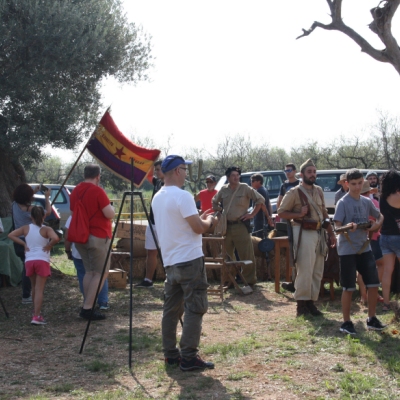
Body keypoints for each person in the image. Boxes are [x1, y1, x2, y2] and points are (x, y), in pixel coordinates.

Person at [152, 154, 215, 371]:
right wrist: (209, 220)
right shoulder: (183, 196)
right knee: (195, 308)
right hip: (189, 260)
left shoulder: (157, 197)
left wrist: (197, 217)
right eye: (185, 169)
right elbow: (198, 228)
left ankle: (171, 355)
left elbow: (180, 222)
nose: (186, 173)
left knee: (171, 310)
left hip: (170, 261)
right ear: (178, 171)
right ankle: (188, 357)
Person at [278, 159, 336, 317]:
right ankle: (301, 305)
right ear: (302, 174)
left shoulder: (318, 190)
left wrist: (331, 234)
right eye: (309, 172)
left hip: (319, 232)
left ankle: (311, 302)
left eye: (314, 172)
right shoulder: (294, 192)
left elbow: (324, 214)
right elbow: (281, 212)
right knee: (304, 269)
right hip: (303, 231)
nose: (313, 174)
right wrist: (298, 214)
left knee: (317, 270)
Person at [334, 169, 386, 335]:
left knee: (373, 284)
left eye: (359, 184)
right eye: (353, 184)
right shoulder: (342, 202)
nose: (356, 187)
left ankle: (371, 318)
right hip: (347, 250)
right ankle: (346, 322)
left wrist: (375, 226)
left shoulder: (366, 202)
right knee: (348, 287)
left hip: (365, 247)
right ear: (347, 184)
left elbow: (380, 217)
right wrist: (349, 227)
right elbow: (337, 227)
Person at [70, 164, 115, 321]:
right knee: (100, 273)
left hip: (80, 236)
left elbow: (73, 212)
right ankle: (88, 308)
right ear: (98, 176)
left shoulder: (75, 191)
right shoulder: (98, 191)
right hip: (98, 236)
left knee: (89, 272)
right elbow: (109, 213)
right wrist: (112, 209)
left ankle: (87, 304)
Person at [212, 166, 265, 286]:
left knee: (246, 254)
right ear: (228, 177)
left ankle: (249, 281)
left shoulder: (245, 188)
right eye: (233, 175)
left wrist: (252, 214)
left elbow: (260, 200)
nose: (236, 177)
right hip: (227, 227)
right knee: (226, 255)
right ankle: (229, 280)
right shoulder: (224, 189)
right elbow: (214, 201)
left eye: (237, 175)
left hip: (240, 225)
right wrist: (220, 212)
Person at [8, 206, 60, 324]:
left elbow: (11, 235)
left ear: (31, 216)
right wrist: (49, 245)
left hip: (29, 260)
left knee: (34, 287)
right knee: (39, 289)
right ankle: (36, 316)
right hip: (42, 259)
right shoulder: (46, 229)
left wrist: (23, 243)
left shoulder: (26, 228)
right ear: (44, 216)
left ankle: (35, 311)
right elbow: (56, 238)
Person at [12, 183, 51, 304]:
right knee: (28, 270)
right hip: (28, 241)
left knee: (26, 266)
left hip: (18, 241)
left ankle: (27, 294)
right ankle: (26, 295)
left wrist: (33, 191)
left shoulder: (14, 205)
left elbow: (21, 198)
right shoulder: (30, 209)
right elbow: (47, 212)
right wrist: (47, 198)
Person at [64, 216, 110, 309]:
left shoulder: (72, 217)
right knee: (100, 274)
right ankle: (103, 301)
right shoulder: (96, 215)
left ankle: (87, 302)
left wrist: (67, 250)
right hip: (96, 249)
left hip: (79, 252)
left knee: (83, 275)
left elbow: (67, 236)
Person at [135, 160, 164, 288]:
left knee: (168, 252)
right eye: (156, 169)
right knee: (151, 252)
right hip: (153, 223)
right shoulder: (157, 182)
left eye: (158, 169)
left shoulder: (171, 184)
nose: (156, 172)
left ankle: (172, 280)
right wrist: (148, 161)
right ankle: (148, 280)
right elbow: (148, 176)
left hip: (165, 224)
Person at [357, 180, 384, 305]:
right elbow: (379, 220)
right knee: (380, 264)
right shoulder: (373, 202)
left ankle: (364, 296)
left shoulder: (355, 202)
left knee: (361, 269)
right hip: (372, 238)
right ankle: (373, 291)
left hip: (358, 239)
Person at [379, 169, 400, 312]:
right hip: (398, 237)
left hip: (385, 237)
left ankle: (386, 303)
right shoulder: (398, 196)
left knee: (387, 271)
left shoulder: (382, 197)